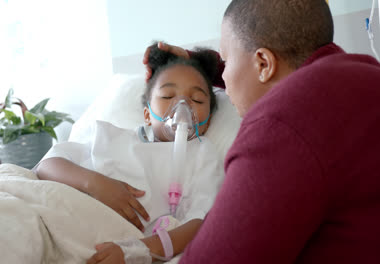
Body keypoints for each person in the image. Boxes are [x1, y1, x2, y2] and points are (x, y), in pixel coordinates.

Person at [144, 0, 380, 263]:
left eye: (226, 59)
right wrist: (199, 64)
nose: (226, 83)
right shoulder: (363, 73)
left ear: (264, 63)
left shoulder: (282, 122)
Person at [35, 44, 226, 263]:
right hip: (65, 212)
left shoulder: (202, 155)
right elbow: (47, 165)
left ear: (208, 119)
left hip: (113, 241)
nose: (182, 105)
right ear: (147, 114)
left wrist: (137, 250)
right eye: (167, 96)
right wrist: (95, 183)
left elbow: (202, 222)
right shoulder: (112, 137)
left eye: (197, 100)